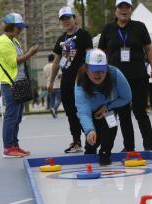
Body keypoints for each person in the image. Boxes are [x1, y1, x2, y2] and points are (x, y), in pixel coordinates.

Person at [98, 0, 152, 152]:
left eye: (127, 7)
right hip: (116, 79)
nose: (124, 10)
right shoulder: (108, 29)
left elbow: (149, 49)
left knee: (140, 112)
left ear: (131, 9)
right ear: (115, 10)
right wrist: (100, 74)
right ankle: (129, 147)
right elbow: (101, 53)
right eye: (121, 7)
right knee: (123, 114)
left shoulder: (139, 26)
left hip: (138, 77)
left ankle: (148, 147)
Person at [75, 49, 132, 165]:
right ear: (86, 69)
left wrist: (107, 106)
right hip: (90, 110)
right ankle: (90, 152)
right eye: (94, 70)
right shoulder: (80, 82)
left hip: (109, 106)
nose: (98, 74)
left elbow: (127, 97)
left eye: (102, 70)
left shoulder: (115, 74)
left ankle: (105, 153)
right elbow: (83, 112)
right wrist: (89, 130)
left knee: (111, 126)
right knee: (93, 137)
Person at [49, 6, 92, 153]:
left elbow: (89, 57)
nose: (66, 21)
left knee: (84, 110)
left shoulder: (83, 35)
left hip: (81, 81)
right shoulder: (61, 39)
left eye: (68, 18)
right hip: (66, 82)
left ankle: (90, 138)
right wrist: (50, 82)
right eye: (63, 19)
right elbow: (56, 62)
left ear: (74, 18)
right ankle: (76, 141)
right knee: (70, 112)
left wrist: (88, 75)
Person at [0, 13, 38, 158]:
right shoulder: (3, 41)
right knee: (11, 116)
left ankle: (14, 145)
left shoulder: (14, 41)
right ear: (11, 27)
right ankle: (8, 148)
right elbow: (14, 62)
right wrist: (30, 53)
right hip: (10, 84)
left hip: (18, 82)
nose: (20, 30)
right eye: (18, 27)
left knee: (17, 117)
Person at [43, 53, 62, 119]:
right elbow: (59, 75)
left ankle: (53, 111)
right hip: (57, 85)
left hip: (49, 85)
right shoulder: (55, 65)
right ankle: (54, 109)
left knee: (52, 100)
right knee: (59, 99)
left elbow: (45, 76)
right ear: (54, 58)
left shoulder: (45, 67)